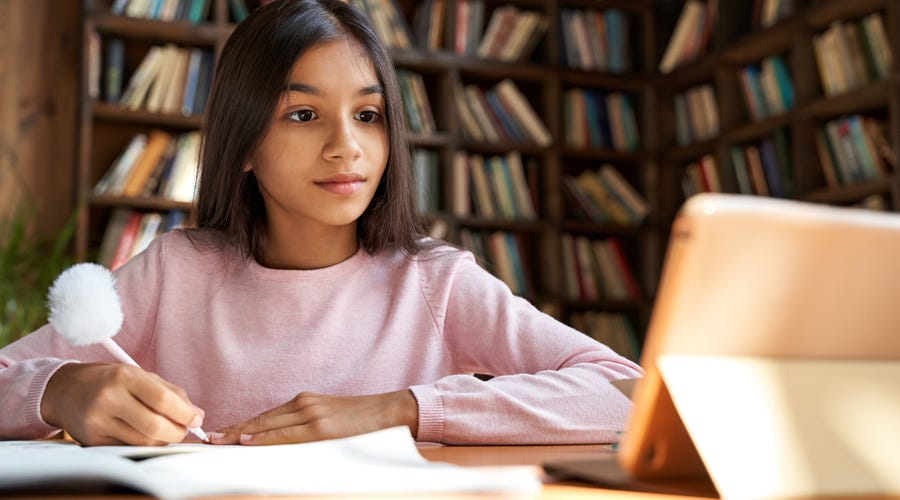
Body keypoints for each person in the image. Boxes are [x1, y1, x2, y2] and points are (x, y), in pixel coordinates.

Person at [0, 0, 643, 446]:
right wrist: (60, 390)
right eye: (303, 115)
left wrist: (404, 409)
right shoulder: (176, 269)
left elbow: (628, 393)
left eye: (368, 115)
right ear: (244, 144)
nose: (347, 147)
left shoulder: (433, 281)